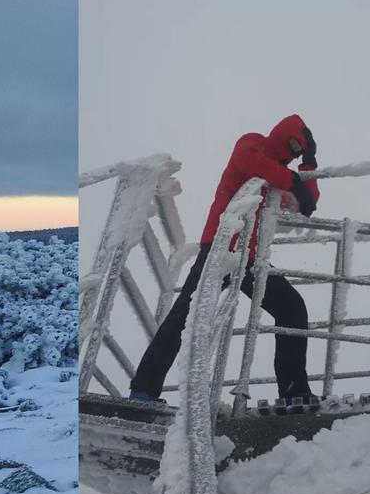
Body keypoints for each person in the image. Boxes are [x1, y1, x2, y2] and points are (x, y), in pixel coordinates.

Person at [129, 114, 321, 405]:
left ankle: (295, 392)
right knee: (184, 317)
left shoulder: (279, 178)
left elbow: (307, 203)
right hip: (219, 249)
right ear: (280, 134)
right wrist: (292, 181)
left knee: (292, 309)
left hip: (251, 257)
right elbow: (249, 162)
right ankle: (143, 390)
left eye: (299, 150)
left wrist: (310, 163)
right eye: (294, 144)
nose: (293, 152)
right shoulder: (254, 144)